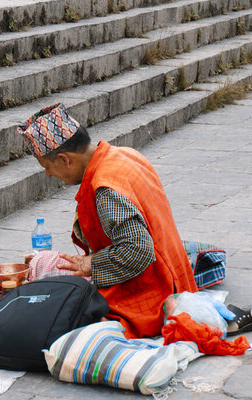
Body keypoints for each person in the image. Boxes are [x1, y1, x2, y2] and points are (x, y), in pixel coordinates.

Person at [18, 103, 198, 338]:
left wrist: (90, 264)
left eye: (48, 166)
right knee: (46, 262)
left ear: (64, 159)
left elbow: (138, 251)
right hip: (177, 279)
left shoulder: (105, 187)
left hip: (154, 292)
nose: (49, 174)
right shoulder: (123, 154)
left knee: (51, 312)